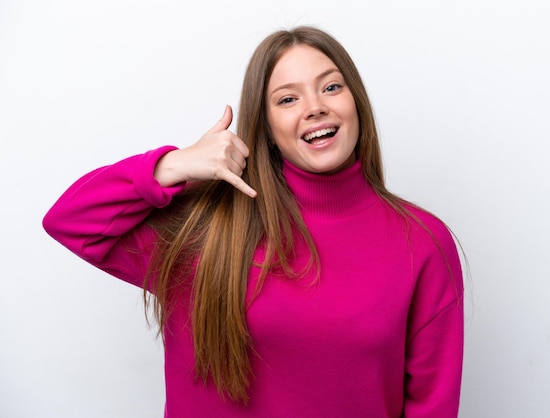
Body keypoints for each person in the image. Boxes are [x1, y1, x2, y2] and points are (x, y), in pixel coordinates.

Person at [43, 25, 464, 417]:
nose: (316, 108)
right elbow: (69, 220)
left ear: (356, 102)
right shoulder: (206, 226)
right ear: (266, 126)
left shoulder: (421, 241)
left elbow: (432, 404)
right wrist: (173, 165)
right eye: (288, 98)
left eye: (331, 87)